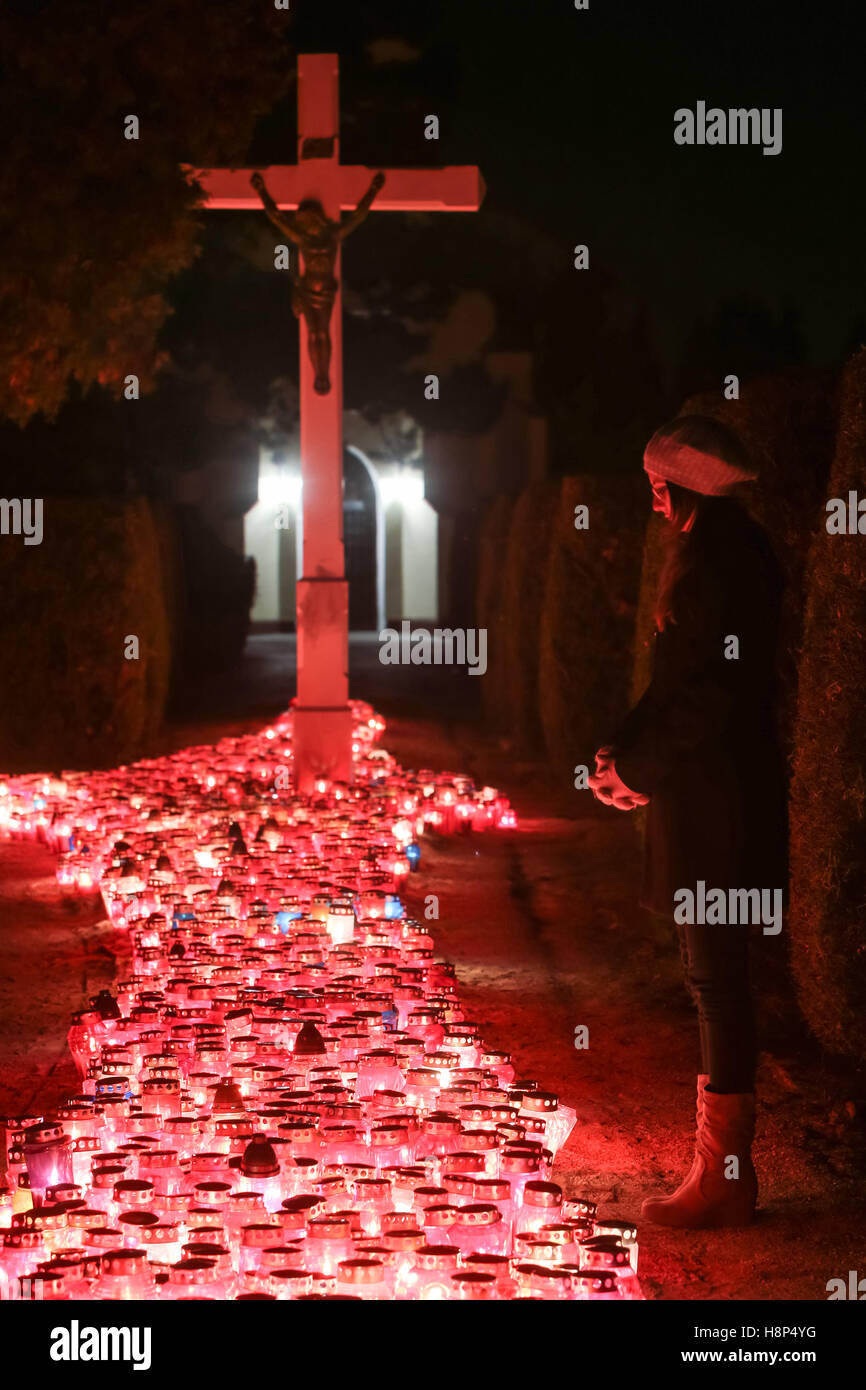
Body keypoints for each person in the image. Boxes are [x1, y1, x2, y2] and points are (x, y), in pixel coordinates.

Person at [589, 415, 786, 1229]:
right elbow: (674, 686)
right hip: (703, 794)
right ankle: (719, 1169)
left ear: (676, 489)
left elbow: (710, 697)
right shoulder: (719, 554)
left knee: (717, 980)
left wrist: (638, 768)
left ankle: (725, 1175)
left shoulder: (719, 567)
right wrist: (624, 757)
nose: (652, 500)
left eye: (655, 485)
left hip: (719, 803)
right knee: (710, 977)